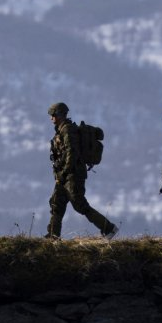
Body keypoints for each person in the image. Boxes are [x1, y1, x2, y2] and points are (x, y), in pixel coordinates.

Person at [46, 102, 117, 240]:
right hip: (65, 174)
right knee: (56, 203)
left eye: (53, 114)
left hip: (73, 174)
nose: (51, 118)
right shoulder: (61, 130)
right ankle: (53, 237)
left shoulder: (67, 130)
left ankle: (108, 228)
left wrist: (64, 172)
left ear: (61, 114)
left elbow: (72, 153)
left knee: (79, 204)